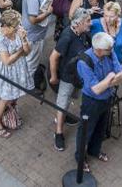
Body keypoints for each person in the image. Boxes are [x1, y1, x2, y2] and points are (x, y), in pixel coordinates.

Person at [75, 32, 122, 172]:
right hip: (91, 102)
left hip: (107, 98)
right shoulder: (84, 62)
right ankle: (80, 158)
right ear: (99, 50)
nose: (112, 51)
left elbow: (121, 75)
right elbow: (96, 90)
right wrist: (110, 78)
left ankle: (94, 150)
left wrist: (106, 84)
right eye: (109, 50)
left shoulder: (109, 51)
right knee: (86, 130)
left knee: (101, 127)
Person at [49, 8, 92, 151]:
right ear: (78, 23)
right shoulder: (67, 36)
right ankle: (58, 133)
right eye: (87, 21)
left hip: (77, 75)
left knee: (70, 99)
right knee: (62, 102)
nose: (90, 23)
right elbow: (53, 57)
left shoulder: (82, 33)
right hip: (67, 76)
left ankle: (65, 116)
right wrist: (54, 77)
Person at [0, 10, 32, 138]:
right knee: (5, 98)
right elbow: (7, 61)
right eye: (14, 27)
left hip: (18, 69)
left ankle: (9, 111)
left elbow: (27, 52)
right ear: (5, 26)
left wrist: (24, 40)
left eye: (18, 26)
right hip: (5, 72)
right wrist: (20, 51)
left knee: (14, 95)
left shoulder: (18, 30)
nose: (17, 29)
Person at [21, 0, 54, 88]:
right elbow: (33, 20)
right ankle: (28, 85)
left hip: (35, 34)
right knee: (31, 63)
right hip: (34, 36)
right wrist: (48, 12)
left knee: (31, 59)